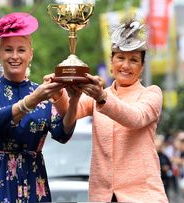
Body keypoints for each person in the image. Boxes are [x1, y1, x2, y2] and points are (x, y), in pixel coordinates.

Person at [50, 18, 168, 202]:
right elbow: (68, 113)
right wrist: (61, 91)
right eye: (120, 57)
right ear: (111, 61)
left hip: (142, 196)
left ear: (142, 67)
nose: (126, 65)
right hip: (102, 196)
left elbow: (135, 118)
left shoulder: (152, 94)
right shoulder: (99, 94)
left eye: (134, 60)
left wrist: (102, 98)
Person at [0, 12, 79, 203]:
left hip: (33, 181)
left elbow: (63, 134)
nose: (15, 56)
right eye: (8, 50)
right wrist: (33, 99)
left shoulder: (42, 91)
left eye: (21, 50)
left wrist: (74, 100)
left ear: (30, 54)